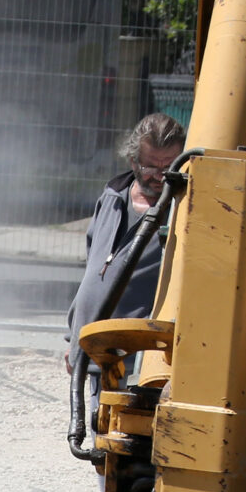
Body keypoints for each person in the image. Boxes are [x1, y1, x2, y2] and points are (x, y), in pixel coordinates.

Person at [66, 112, 187, 354]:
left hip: (140, 352)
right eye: (150, 166)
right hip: (90, 341)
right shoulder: (113, 196)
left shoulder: (183, 210)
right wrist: (74, 337)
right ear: (133, 161)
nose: (160, 177)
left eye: (169, 167)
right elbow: (93, 269)